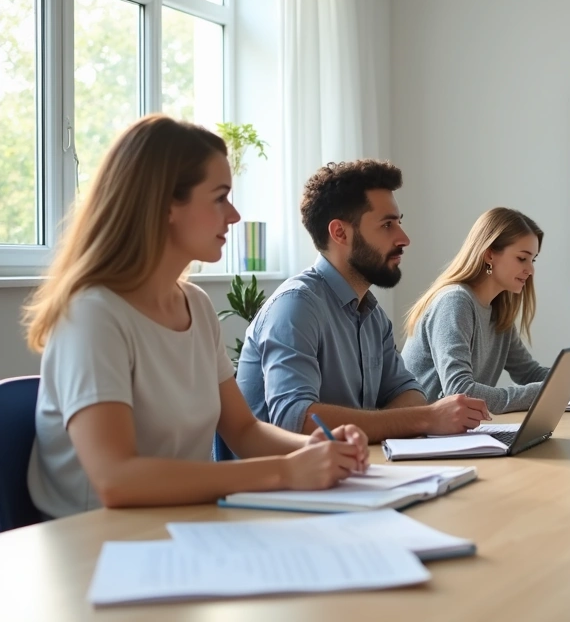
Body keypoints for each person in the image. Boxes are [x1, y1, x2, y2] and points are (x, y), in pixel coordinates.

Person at [22, 115, 368, 519]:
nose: (234, 215)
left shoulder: (197, 305)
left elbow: (243, 430)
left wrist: (315, 448)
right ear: (167, 204)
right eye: (220, 197)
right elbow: (115, 479)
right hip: (95, 546)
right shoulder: (92, 316)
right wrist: (285, 471)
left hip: (180, 526)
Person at [236, 160, 490, 442]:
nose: (403, 238)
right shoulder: (296, 306)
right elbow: (296, 419)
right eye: (387, 225)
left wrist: (401, 421)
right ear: (340, 233)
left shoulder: (371, 314)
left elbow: (409, 392)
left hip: (349, 473)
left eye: (399, 222)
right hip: (281, 484)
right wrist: (426, 418)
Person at [401, 207, 570, 414]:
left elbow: (529, 373)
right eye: (522, 258)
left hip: (453, 435)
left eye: (533, 260)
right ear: (490, 254)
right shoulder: (455, 302)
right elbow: (460, 391)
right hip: (421, 438)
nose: (530, 270)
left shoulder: (497, 310)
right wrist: (545, 393)